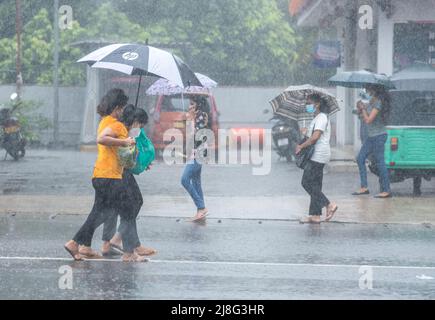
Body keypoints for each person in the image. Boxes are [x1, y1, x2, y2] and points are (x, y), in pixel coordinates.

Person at [64, 89, 147, 262]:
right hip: (110, 176)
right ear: (117, 107)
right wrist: (125, 141)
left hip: (101, 174)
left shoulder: (105, 121)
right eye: (122, 107)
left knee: (101, 213)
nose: (124, 111)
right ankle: (128, 252)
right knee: (127, 209)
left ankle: (77, 243)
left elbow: (118, 152)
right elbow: (102, 139)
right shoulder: (116, 124)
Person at [101, 104, 157, 257]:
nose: (141, 128)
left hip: (117, 171)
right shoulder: (119, 128)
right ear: (136, 121)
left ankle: (129, 246)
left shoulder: (126, 129)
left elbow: (127, 155)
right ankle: (120, 243)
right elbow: (108, 144)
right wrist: (127, 144)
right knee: (130, 205)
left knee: (127, 206)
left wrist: (138, 161)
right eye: (141, 124)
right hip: (114, 172)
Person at [296, 94, 338, 224]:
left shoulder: (322, 117)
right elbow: (312, 135)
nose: (307, 105)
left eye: (309, 103)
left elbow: (315, 138)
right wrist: (305, 132)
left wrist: (301, 146)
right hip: (319, 154)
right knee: (315, 184)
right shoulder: (317, 117)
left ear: (317, 104)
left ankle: (329, 204)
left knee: (307, 182)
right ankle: (315, 215)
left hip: (318, 155)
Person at [352, 84, 392, 198]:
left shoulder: (378, 102)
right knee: (360, 158)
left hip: (379, 136)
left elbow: (369, 120)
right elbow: (364, 117)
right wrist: (360, 109)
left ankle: (386, 190)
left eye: (368, 88)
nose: (367, 91)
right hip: (371, 136)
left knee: (380, 162)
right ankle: (364, 187)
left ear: (374, 89)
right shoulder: (372, 101)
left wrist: (363, 109)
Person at [181, 95, 210, 221]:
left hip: (199, 152)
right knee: (196, 182)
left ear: (198, 105)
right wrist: (187, 121)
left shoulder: (202, 115)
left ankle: (201, 207)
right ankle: (200, 211)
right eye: (189, 104)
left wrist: (190, 120)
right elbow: (188, 137)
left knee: (184, 179)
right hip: (193, 152)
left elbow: (196, 135)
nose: (190, 107)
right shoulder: (192, 116)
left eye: (192, 104)